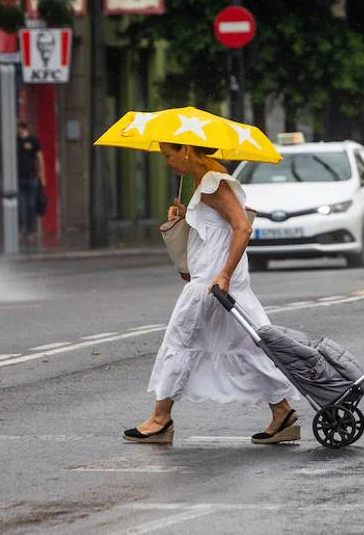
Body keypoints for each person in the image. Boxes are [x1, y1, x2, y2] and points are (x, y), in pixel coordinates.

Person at [124, 142, 299, 445]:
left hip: (212, 285)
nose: (166, 162)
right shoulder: (207, 181)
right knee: (251, 348)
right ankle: (282, 412)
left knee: (180, 342)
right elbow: (215, 228)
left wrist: (224, 275)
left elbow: (242, 228)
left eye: (169, 155)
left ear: (187, 150)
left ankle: (160, 419)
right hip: (220, 285)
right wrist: (186, 215)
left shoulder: (212, 184)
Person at [17, 120, 45, 247]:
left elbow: (39, 158)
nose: (20, 131)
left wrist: (41, 175)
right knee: (21, 206)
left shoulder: (33, 140)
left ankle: (31, 232)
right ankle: (23, 230)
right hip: (20, 178)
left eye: (21, 128)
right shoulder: (16, 141)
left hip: (31, 177)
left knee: (31, 206)